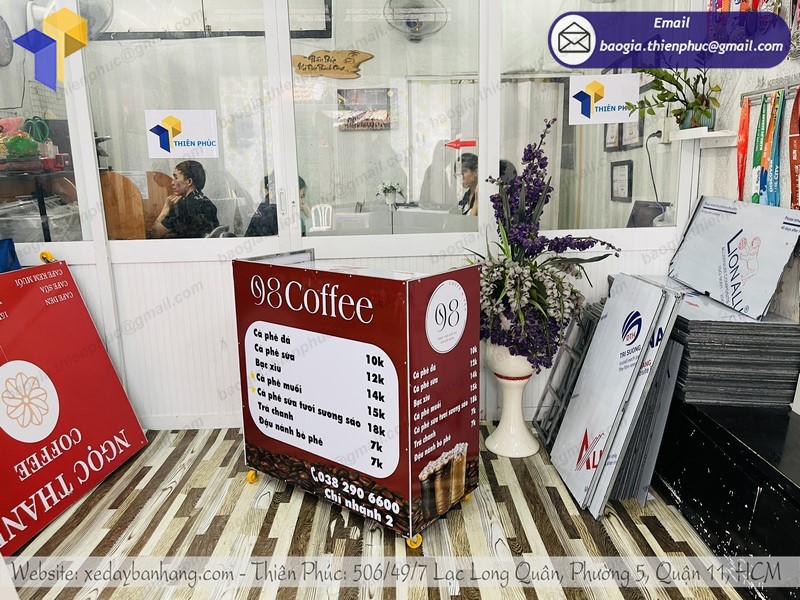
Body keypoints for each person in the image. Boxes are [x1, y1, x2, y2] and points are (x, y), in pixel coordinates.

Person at [151, 160, 219, 238]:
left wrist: (166, 207)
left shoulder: (182, 207)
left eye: (176, 178)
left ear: (189, 181)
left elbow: (155, 233)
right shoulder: (207, 202)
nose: (172, 182)